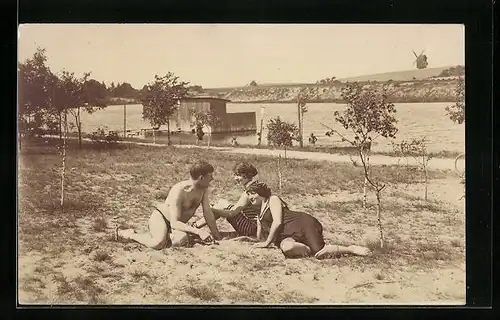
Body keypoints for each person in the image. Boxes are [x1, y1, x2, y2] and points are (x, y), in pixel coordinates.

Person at [245, 182, 371, 259]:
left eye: (253, 193)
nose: (250, 197)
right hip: (288, 235)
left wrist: (267, 243)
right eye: (248, 194)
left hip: (302, 223)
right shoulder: (258, 210)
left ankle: (351, 249)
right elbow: (259, 235)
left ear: (261, 193)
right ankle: (308, 249)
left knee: (320, 253)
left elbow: (277, 222)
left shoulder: (273, 199)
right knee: (287, 248)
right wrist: (251, 239)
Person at [115, 160, 221, 249]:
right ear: (201, 178)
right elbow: (174, 222)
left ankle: (167, 236)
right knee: (158, 243)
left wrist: (217, 236)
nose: (212, 179)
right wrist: (199, 232)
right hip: (162, 218)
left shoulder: (203, 189)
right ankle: (129, 234)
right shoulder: (179, 190)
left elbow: (207, 212)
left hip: (176, 225)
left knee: (181, 241)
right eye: (210, 176)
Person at [192, 162, 261, 238]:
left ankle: (195, 226)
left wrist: (212, 209)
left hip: (250, 229)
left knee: (221, 206)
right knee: (222, 203)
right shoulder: (255, 186)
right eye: (235, 175)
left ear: (247, 175)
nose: (235, 178)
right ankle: (196, 225)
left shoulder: (250, 192)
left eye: (238, 175)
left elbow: (231, 213)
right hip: (254, 226)